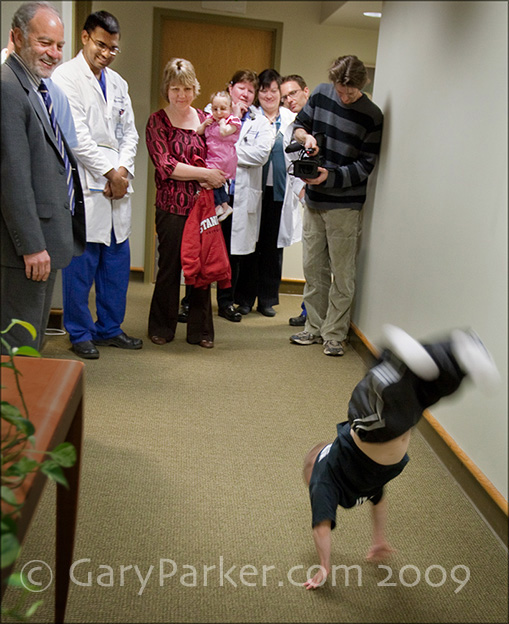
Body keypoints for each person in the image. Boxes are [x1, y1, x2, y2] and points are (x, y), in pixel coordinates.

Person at [303, 324, 499, 590]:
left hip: (371, 432)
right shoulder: (355, 485)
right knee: (426, 390)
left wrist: (324, 565)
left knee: (381, 386)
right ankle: (459, 357)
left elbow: (321, 528)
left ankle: (397, 357)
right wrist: (378, 538)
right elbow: (379, 501)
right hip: (394, 431)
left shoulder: (322, 480)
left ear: (314, 466)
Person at [52, 10, 141, 360]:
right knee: (81, 266)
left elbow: (129, 133)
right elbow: (76, 136)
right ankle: (79, 332)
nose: (106, 53)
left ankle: (109, 328)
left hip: (117, 187)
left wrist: (122, 171)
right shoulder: (65, 78)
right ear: (85, 37)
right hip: (88, 185)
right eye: (102, 45)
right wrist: (109, 173)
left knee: (116, 265)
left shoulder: (118, 84)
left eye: (113, 48)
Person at [1, 1, 86, 353]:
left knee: (30, 342)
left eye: (59, 46)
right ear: (16, 37)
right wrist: (33, 246)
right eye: (44, 42)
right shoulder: (7, 88)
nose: (54, 54)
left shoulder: (33, 87)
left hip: (43, 242)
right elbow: (12, 176)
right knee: (17, 347)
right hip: (24, 250)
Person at [289, 55, 383, 356]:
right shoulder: (319, 93)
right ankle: (314, 328)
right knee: (313, 268)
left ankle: (334, 334)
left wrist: (331, 177)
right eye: (340, 91)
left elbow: (365, 166)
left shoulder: (372, 115)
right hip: (314, 201)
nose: (343, 97)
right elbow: (299, 126)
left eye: (350, 93)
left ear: (362, 84)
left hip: (345, 204)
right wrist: (307, 138)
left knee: (342, 273)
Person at [145, 58, 226, 348]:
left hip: (202, 208)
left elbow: (220, 152)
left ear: (196, 89)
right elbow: (166, 165)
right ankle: (162, 326)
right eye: (176, 88)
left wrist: (216, 175)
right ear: (166, 88)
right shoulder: (157, 121)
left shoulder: (206, 118)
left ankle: (200, 331)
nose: (182, 95)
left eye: (188, 88)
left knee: (202, 269)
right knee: (169, 267)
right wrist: (205, 173)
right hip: (171, 207)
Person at [215, 69, 275, 322]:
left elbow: (260, 156)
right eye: (242, 88)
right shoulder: (214, 112)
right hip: (216, 194)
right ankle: (190, 301)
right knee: (206, 248)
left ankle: (226, 302)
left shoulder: (261, 123)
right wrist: (234, 148)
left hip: (240, 199)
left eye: (251, 90)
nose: (247, 94)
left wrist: (228, 149)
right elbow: (209, 144)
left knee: (232, 254)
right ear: (230, 88)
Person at [234, 69, 295, 317]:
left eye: (273, 90)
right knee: (250, 243)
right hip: (252, 189)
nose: (269, 95)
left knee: (272, 245)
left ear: (280, 92)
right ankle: (245, 298)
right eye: (264, 90)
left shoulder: (291, 119)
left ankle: (268, 299)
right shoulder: (250, 116)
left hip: (279, 191)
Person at [280, 74, 311, 327]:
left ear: (306, 91)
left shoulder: (321, 118)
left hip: (332, 195)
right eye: (285, 97)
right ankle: (308, 311)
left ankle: (316, 314)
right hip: (308, 199)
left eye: (293, 93)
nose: (289, 100)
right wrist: (303, 194)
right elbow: (292, 168)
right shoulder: (290, 128)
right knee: (311, 260)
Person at [196, 90, 241, 222]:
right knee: (217, 183)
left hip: (224, 157)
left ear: (230, 108)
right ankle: (224, 205)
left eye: (223, 109)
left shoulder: (233, 121)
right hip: (213, 156)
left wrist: (222, 123)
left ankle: (217, 205)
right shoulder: (211, 120)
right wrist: (205, 124)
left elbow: (224, 132)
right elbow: (198, 132)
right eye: (215, 109)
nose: (219, 112)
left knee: (210, 180)